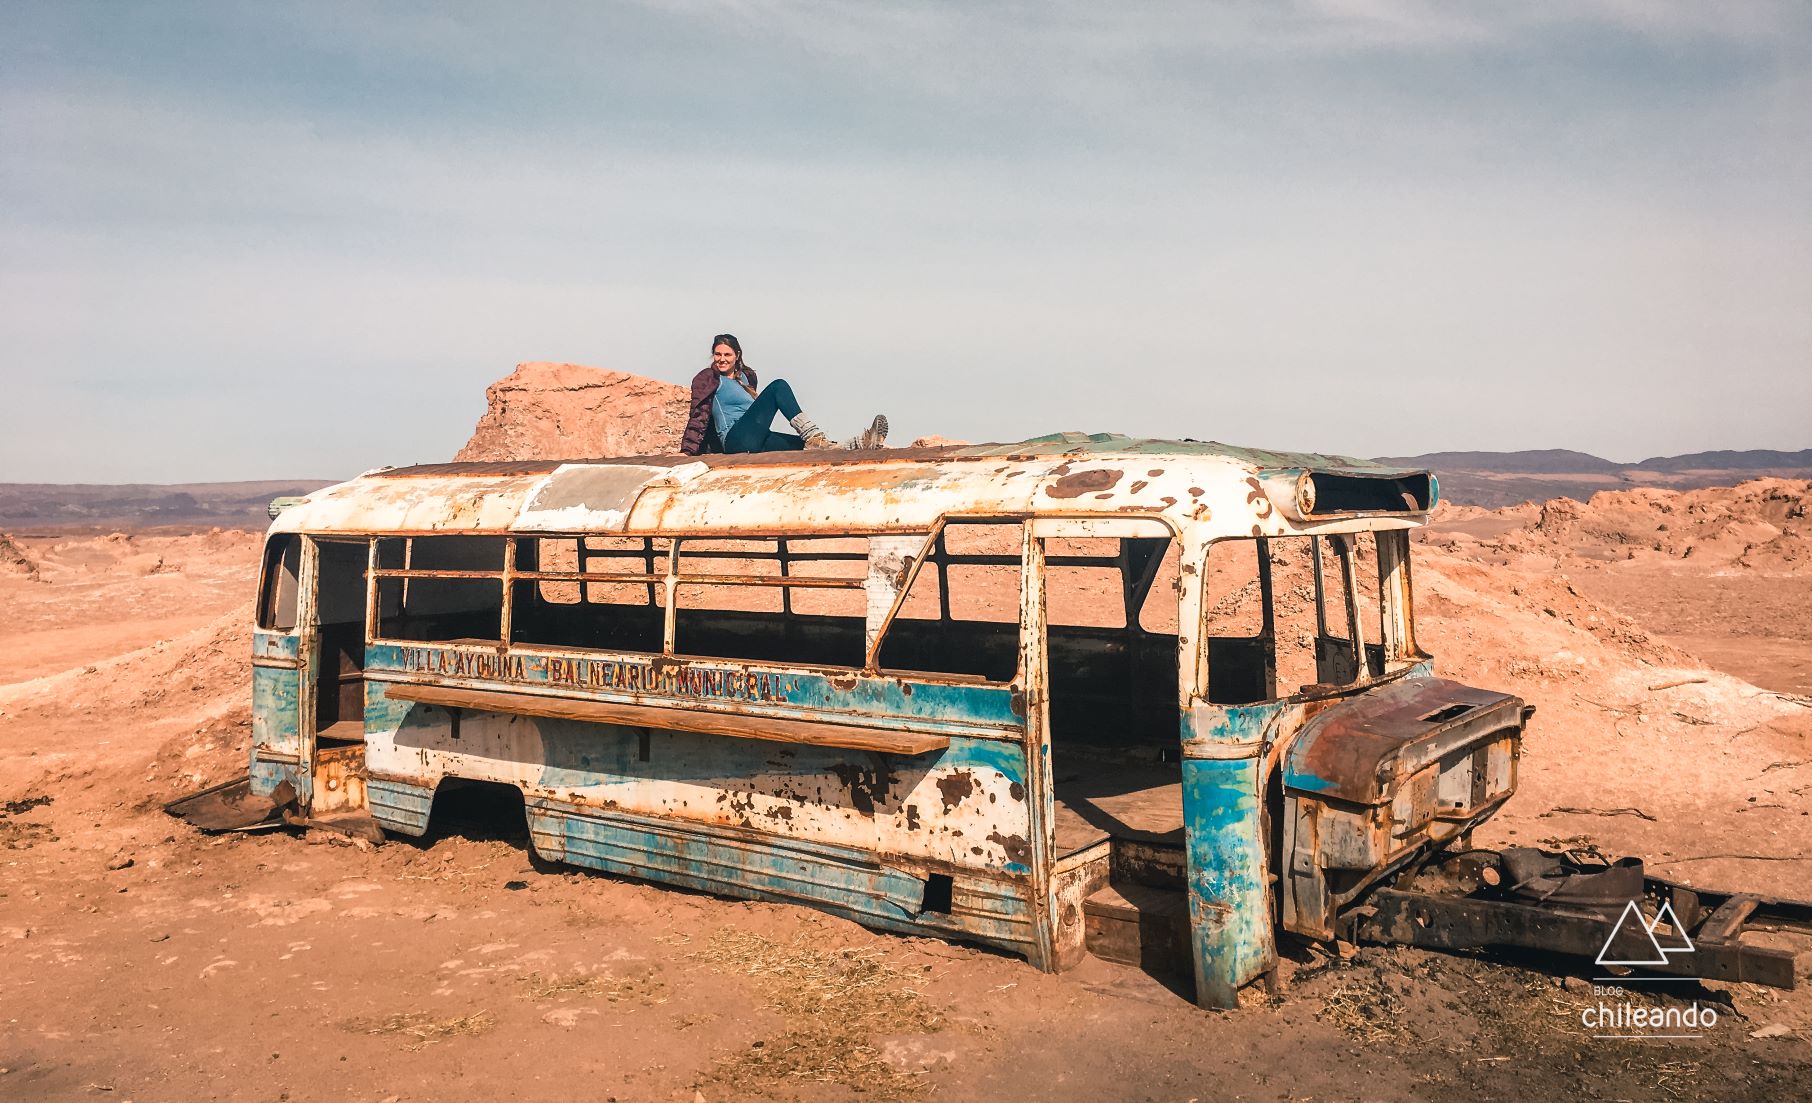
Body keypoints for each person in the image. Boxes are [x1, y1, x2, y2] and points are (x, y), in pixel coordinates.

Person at [680, 334, 888, 456]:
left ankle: (858, 445)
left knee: (803, 446)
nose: (722, 359)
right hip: (735, 438)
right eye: (718, 354)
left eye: (727, 354)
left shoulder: (745, 379)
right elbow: (698, 415)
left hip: (755, 438)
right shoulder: (710, 378)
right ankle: (813, 435)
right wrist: (687, 451)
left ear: (737, 356)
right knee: (779, 386)